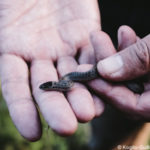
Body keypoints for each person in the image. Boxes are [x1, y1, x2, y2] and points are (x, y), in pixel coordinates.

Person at [0, 0, 149, 146]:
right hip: (97, 26)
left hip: (139, 43)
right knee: (109, 123)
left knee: (126, 127)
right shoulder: (66, 81)